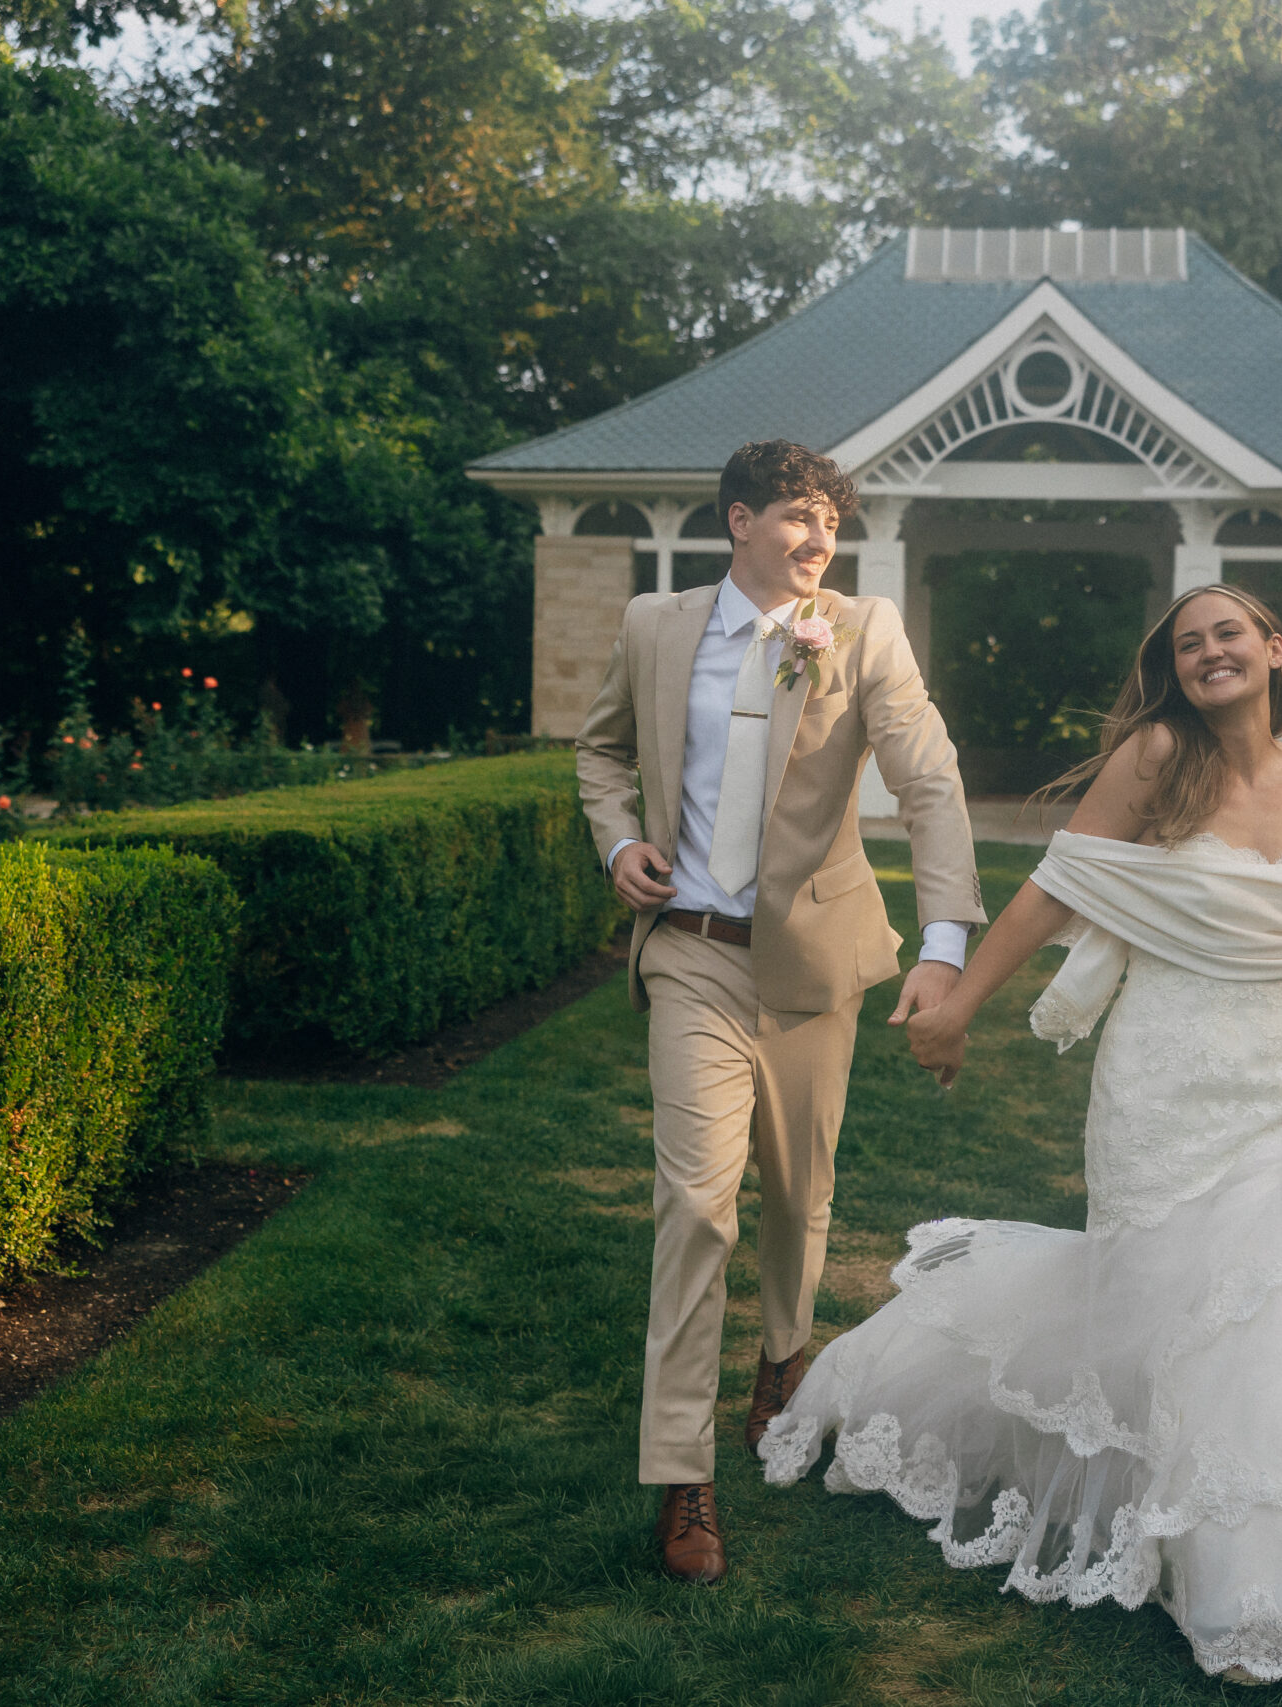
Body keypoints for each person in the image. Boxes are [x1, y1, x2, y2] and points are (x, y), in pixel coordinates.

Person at [755, 584, 1282, 1682]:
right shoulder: (1158, 754)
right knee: (1171, 1303)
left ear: (1271, 649)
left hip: (1278, 1081)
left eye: (1227, 634)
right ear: (1174, 666)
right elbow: (1058, 888)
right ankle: (1228, 1563)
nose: (1208, 651)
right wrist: (962, 1002)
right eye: (1186, 641)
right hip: (1162, 1079)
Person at [573, 440, 985, 1585]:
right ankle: (681, 1474)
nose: (820, 543)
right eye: (802, 519)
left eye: (833, 527)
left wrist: (945, 944)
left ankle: (785, 1358)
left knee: (801, 1194)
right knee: (696, 1206)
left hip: (813, 961)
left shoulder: (862, 631)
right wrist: (620, 840)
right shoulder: (658, 627)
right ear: (740, 520)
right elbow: (600, 751)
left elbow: (930, 782)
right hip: (692, 959)